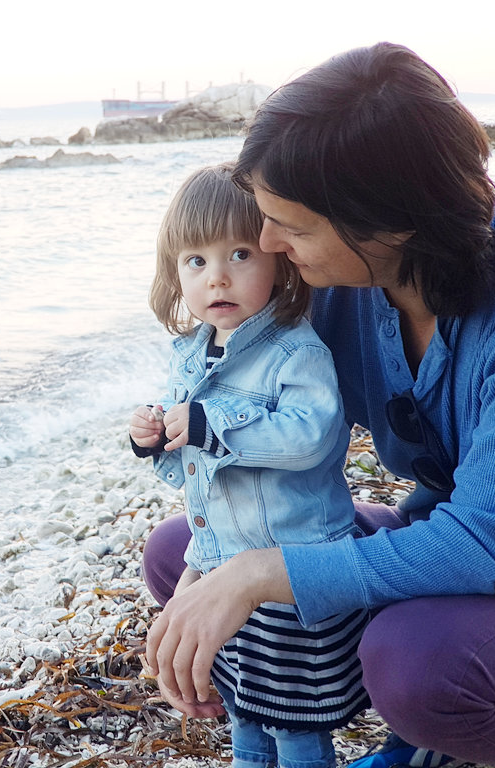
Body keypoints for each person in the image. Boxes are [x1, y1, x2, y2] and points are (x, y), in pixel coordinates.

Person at [141, 42, 495, 768]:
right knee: (178, 557)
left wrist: (254, 575)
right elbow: (251, 423)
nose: (266, 242)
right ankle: (359, 725)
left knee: (417, 663)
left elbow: (488, 545)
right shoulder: (340, 284)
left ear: (391, 220)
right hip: (454, 539)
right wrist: (214, 555)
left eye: (293, 224)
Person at [130, 162, 369, 768]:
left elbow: (309, 438)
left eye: (239, 254)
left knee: (294, 718)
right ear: (175, 272)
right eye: (197, 262)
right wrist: (158, 441)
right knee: (244, 706)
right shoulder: (189, 354)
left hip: (292, 564)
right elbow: (197, 474)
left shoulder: (294, 348)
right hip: (220, 560)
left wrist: (209, 427)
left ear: (277, 259)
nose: (218, 278)